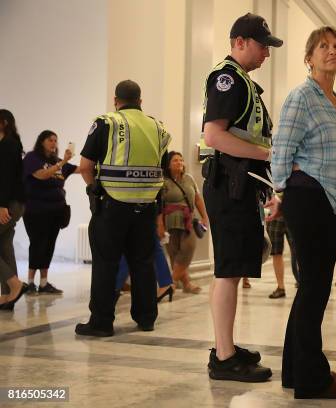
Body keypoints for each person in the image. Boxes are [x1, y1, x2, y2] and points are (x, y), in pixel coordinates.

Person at [268, 26, 336, 399]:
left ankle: (293, 370)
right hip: (309, 199)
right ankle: (312, 377)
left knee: (312, 288)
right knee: (316, 289)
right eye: (323, 46)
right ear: (309, 57)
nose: (332, 51)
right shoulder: (302, 96)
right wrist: (283, 189)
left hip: (329, 201)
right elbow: (280, 150)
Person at [201, 13, 282, 382]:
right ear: (239, 42)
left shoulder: (244, 83)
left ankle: (227, 347)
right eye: (262, 45)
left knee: (233, 270)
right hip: (228, 186)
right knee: (228, 272)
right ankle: (223, 356)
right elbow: (214, 137)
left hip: (241, 186)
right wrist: (270, 156)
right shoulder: (228, 78)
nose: (267, 52)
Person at [75, 80, 171, 337]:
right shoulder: (158, 127)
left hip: (113, 206)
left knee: (106, 263)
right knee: (143, 262)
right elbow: (162, 167)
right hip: (146, 206)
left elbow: (85, 166)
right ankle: (146, 317)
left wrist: (94, 188)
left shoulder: (107, 122)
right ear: (140, 101)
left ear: (116, 101)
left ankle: (102, 322)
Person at [22, 130, 80, 295]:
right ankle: (31, 283)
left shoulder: (57, 161)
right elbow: (41, 175)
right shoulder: (32, 158)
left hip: (56, 211)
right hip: (36, 211)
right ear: (42, 141)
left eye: (55, 140)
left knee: (49, 245)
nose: (54, 143)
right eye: (50, 140)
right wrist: (62, 163)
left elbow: (81, 169)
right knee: (37, 244)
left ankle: (44, 283)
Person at [160, 151, 208, 294]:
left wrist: (204, 216)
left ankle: (171, 283)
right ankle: (187, 284)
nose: (180, 163)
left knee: (188, 249)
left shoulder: (189, 179)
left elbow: (198, 199)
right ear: (168, 165)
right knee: (174, 253)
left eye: (181, 160)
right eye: (175, 160)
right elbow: (159, 204)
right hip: (170, 220)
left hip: (188, 219)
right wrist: (160, 224)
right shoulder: (163, 181)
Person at [0, 109, 27, 310]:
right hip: (12, 202)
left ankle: (14, 285)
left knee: (5, 245)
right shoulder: (9, 144)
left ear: (4, 122)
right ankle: (9, 296)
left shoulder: (8, 145)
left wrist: (2, 206)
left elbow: (6, 178)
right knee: (5, 246)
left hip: (8, 204)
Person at [266, 217, 298, 298]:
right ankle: (280, 287)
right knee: (276, 252)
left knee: (299, 251)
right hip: (273, 216)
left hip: (292, 215)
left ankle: (303, 282)